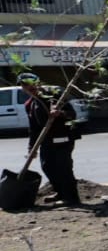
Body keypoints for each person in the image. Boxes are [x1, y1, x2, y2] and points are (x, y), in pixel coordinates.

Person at [19, 73, 81, 207]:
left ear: (38, 83)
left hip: (63, 138)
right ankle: (60, 192)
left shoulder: (54, 96)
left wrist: (60, 113)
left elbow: (72, 115)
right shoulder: (29, 104)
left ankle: (71, 198)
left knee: (63, 167)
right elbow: (33, 128)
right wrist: (32, 147)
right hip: (46, 140)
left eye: (33, 84)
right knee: (47, 167)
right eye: (26, 85)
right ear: (22, 87)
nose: (30, 87)